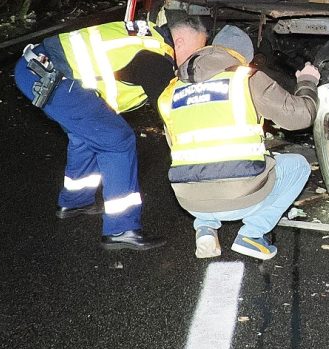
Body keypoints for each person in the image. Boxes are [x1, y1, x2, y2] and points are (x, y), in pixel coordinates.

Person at [14, 17, 210, 251]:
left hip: (36, 66)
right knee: (118, 140)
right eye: (196, 51)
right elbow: (171, 112)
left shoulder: (146, 36)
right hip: (49, 75)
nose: (194, 59)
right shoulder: (155, 58)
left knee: (88, 134)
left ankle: (75, 201)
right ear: (179, 41)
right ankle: (121, 228)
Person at [157, 24, 319, 260]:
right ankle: (252, 235)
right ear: (244, 57)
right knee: (297, 166)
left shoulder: (171, 91)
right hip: (240, 198)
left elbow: (178, 146)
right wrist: (307, 81)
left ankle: (205, 228)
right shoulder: (245, 78)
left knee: (201, 166)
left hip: (190, 200)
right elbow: (301, 116)